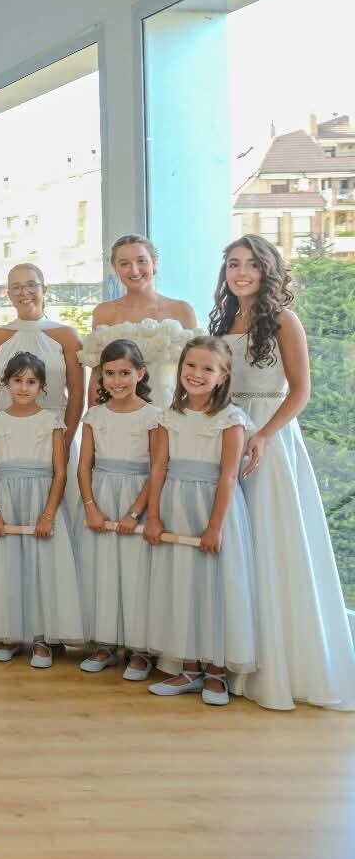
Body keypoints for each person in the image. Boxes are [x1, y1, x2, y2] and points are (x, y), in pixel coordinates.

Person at [210, 235, 355, 711]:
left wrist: (265, 435)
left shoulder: (284, 321)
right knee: (233, 545)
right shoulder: (222, 320)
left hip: (268, 441)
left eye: (251, 264)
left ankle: (280, 663)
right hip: (226, 434)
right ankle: (231, 657)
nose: (242, 272)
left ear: (268, 270)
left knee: (271, 544)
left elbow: (301, 391)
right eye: (234, 264)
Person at [145, 336, 257, 706]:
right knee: (182, 584)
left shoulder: (231, 420)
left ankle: (216, 672)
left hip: (213, 509)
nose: (196, 374)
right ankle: (189, 668)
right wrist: (155, 517)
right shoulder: (167, 416)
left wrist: (214, 527)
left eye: (207, 369)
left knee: (215, 586)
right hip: (176, 505)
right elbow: (158, 468)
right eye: (190, 366)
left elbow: (228, 476)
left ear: (223, 377)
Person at [0, 352, 83, 668]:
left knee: (41, 568)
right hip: (5, 501)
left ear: (42, 387)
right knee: (7, 567)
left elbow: (60, 471)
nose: (23, 387)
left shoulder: (51, 422)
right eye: (17, 380)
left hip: (40, 502)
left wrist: (47, 514)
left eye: (31, 381)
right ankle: (10, 634)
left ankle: (42, 638)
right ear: (6, 384)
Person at [75, 338, 163, 680]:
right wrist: (90, 507)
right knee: (102, 570)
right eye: (109, 374)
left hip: (136, 498)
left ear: (140, 373)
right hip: (101, 495)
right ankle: (106, 643)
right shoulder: (94, 415)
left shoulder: (154, 417)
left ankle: (140, 649)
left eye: (125, 373)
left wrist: (135, 513)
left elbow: (158, 468)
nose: (117, 381)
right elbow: (84, 466)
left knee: (136, 572)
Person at [80, 234, 197, 408]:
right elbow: (98, 375)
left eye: (141, 261)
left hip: (171, 414)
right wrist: (93, 421)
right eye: (124, 264)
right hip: (120, 417)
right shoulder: (104, 313)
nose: (134, 270)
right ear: (115, 268)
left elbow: (197, 370)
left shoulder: (182, 310)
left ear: (154, 262)